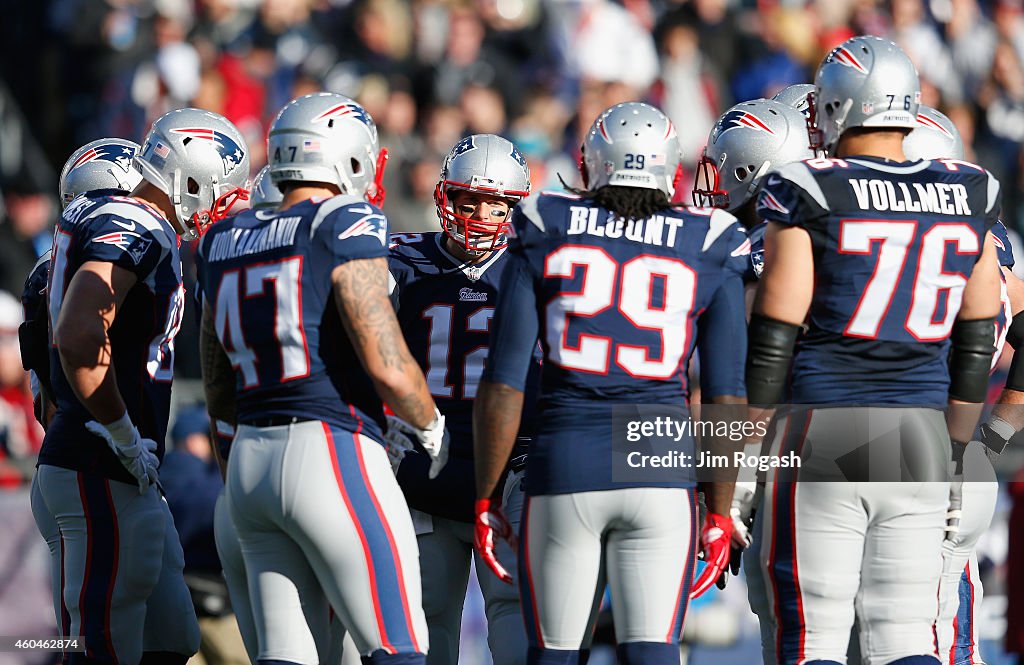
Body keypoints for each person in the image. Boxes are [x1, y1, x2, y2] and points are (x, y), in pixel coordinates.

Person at [746, 36, 1002, 665]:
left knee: (812, 641)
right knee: (905, 639)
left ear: (836, 106)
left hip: (821, 428)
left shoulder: (808, 184)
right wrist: (962, 448)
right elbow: (976, 340)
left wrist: (745, 452)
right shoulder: (969, 190)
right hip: (921, 433)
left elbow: (775, 337)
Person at [473, 101, 749, 665]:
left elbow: (504, 384)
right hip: (661, 468)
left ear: (591, 162)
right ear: (670, 169)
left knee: (553, 654)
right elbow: (725, 395)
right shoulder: (711, 238)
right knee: (651, 653)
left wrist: (485, 494)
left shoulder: (546, 222)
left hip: (567, 459)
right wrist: (719, 510)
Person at [196, 92, 443, 665]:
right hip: (330, 447)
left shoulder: (223, 237)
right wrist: (429, 424)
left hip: (250, 459)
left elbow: (216, 383)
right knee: (398, 647)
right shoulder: (344, 219)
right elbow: (385, 359)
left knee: (287, 656)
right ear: (349, 158)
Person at [33, 108, 250, 665]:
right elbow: (81, 333)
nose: (225, 201)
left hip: (116, 467)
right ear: (189, 179)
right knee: (102, 645)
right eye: (220, 187)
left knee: (171, 637)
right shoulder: (136, 221)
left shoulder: (75, 245)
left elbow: (48, 390)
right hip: (102, 463)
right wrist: (118, 428)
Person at [388, 133, 533, 665]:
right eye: (468, 200)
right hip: (428, 468)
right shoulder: (401, 261)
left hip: (505, 468)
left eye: (494, 203)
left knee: (510, 608)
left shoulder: (397, 258)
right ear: (444, 196)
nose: (478, 213)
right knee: (429, 615)